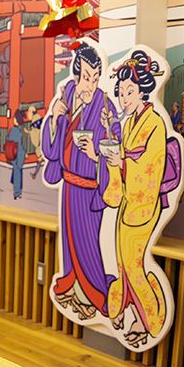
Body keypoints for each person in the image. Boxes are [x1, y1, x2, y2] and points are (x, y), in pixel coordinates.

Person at [41, 41, 121, 321]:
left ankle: (94, 293)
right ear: (76, 75)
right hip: (68, 184)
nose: (91, 83)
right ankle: (74, 285)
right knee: (70, 241)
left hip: (89, 186)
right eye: (87, 76)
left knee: (87, 242)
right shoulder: (67, 94)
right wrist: (55, 118)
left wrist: (96, 150)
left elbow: (116, 147)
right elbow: (52, 145)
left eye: (96, 78)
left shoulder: (105, 105)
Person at [103, 50, 171, 347]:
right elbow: (125, 153)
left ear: (143, 91)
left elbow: (149, 167)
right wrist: (113, 149)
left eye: (129, 91)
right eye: (120, 92)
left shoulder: (154, 123)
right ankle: (130, 312)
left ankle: (150, 321)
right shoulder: (131, 122)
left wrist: (122, 164)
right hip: (129, 204)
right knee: (123, 263)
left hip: (142, 205)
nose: (123, 98)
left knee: (134, 265)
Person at [7, 108, 28, 199]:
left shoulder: (13, 131)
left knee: (17, 172)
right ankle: (18, 189)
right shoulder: (21, 130)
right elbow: (23, 143)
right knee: (18, 171)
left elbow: (9, 141)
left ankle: (17, 192)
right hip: (21, 153)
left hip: (15, 153)